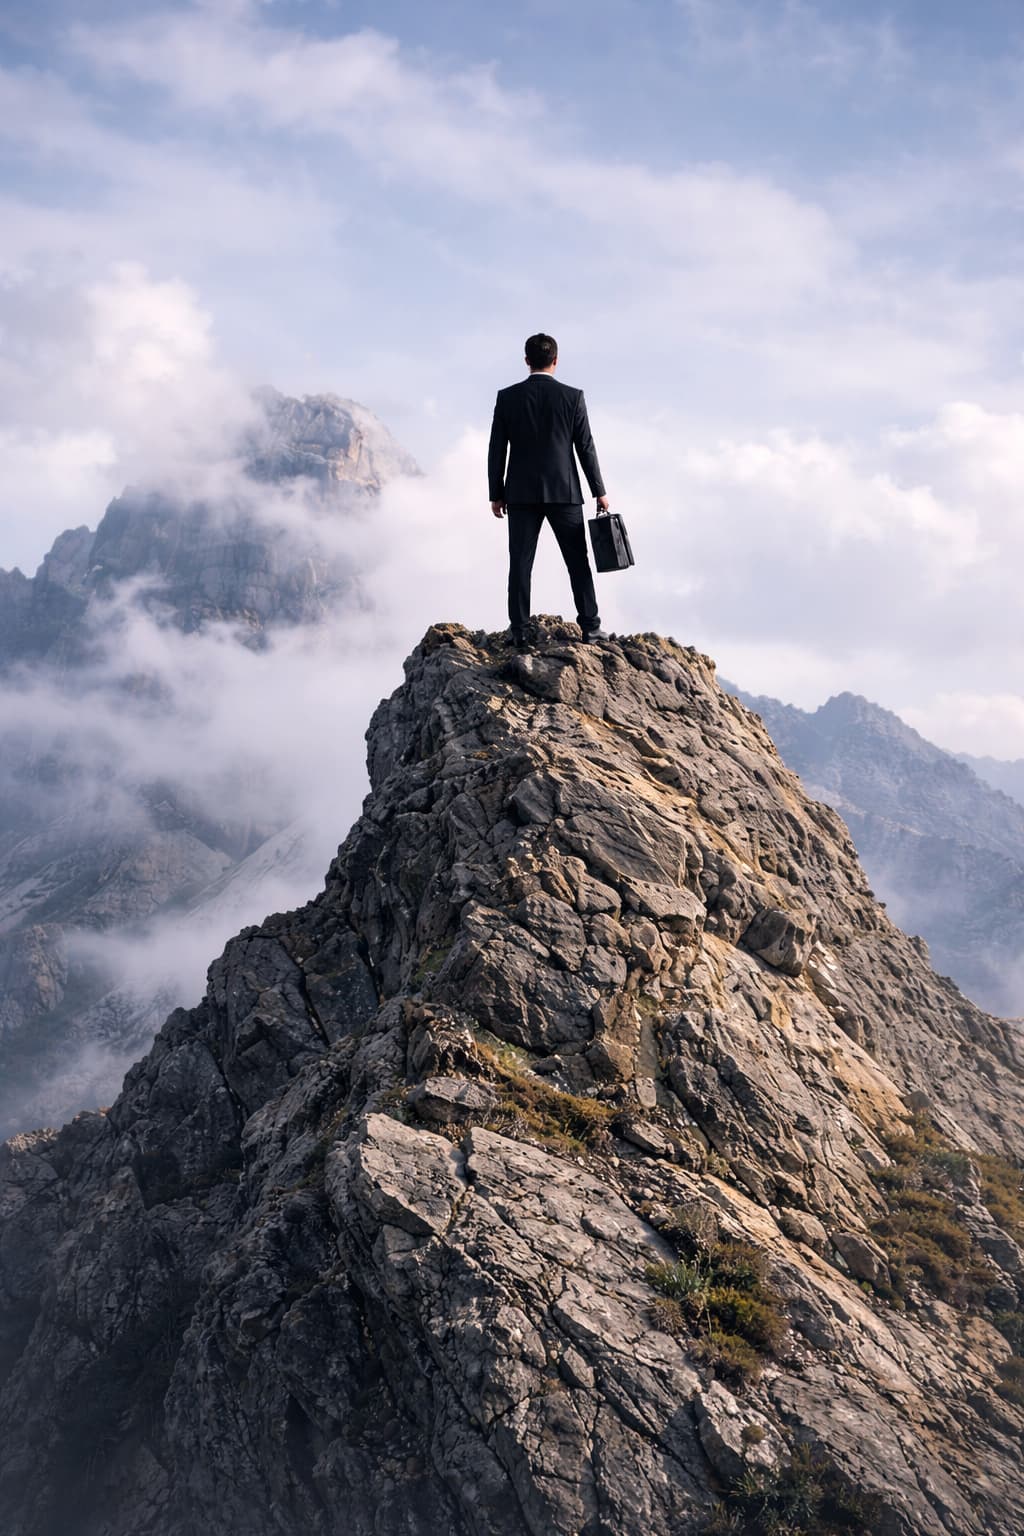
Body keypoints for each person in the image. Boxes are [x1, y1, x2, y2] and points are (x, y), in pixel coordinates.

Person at [488, 333, 610, 646]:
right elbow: (586, 447)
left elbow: (496, 449)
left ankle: (520, 631)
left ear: (527, 361)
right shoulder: (573, 397)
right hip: (564, 492)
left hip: (521, 493)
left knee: (520, 564)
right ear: (555, 361)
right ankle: (591, 628)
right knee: (577, 563)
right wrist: (599, 490)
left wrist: (496, 493)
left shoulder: (507, 397)